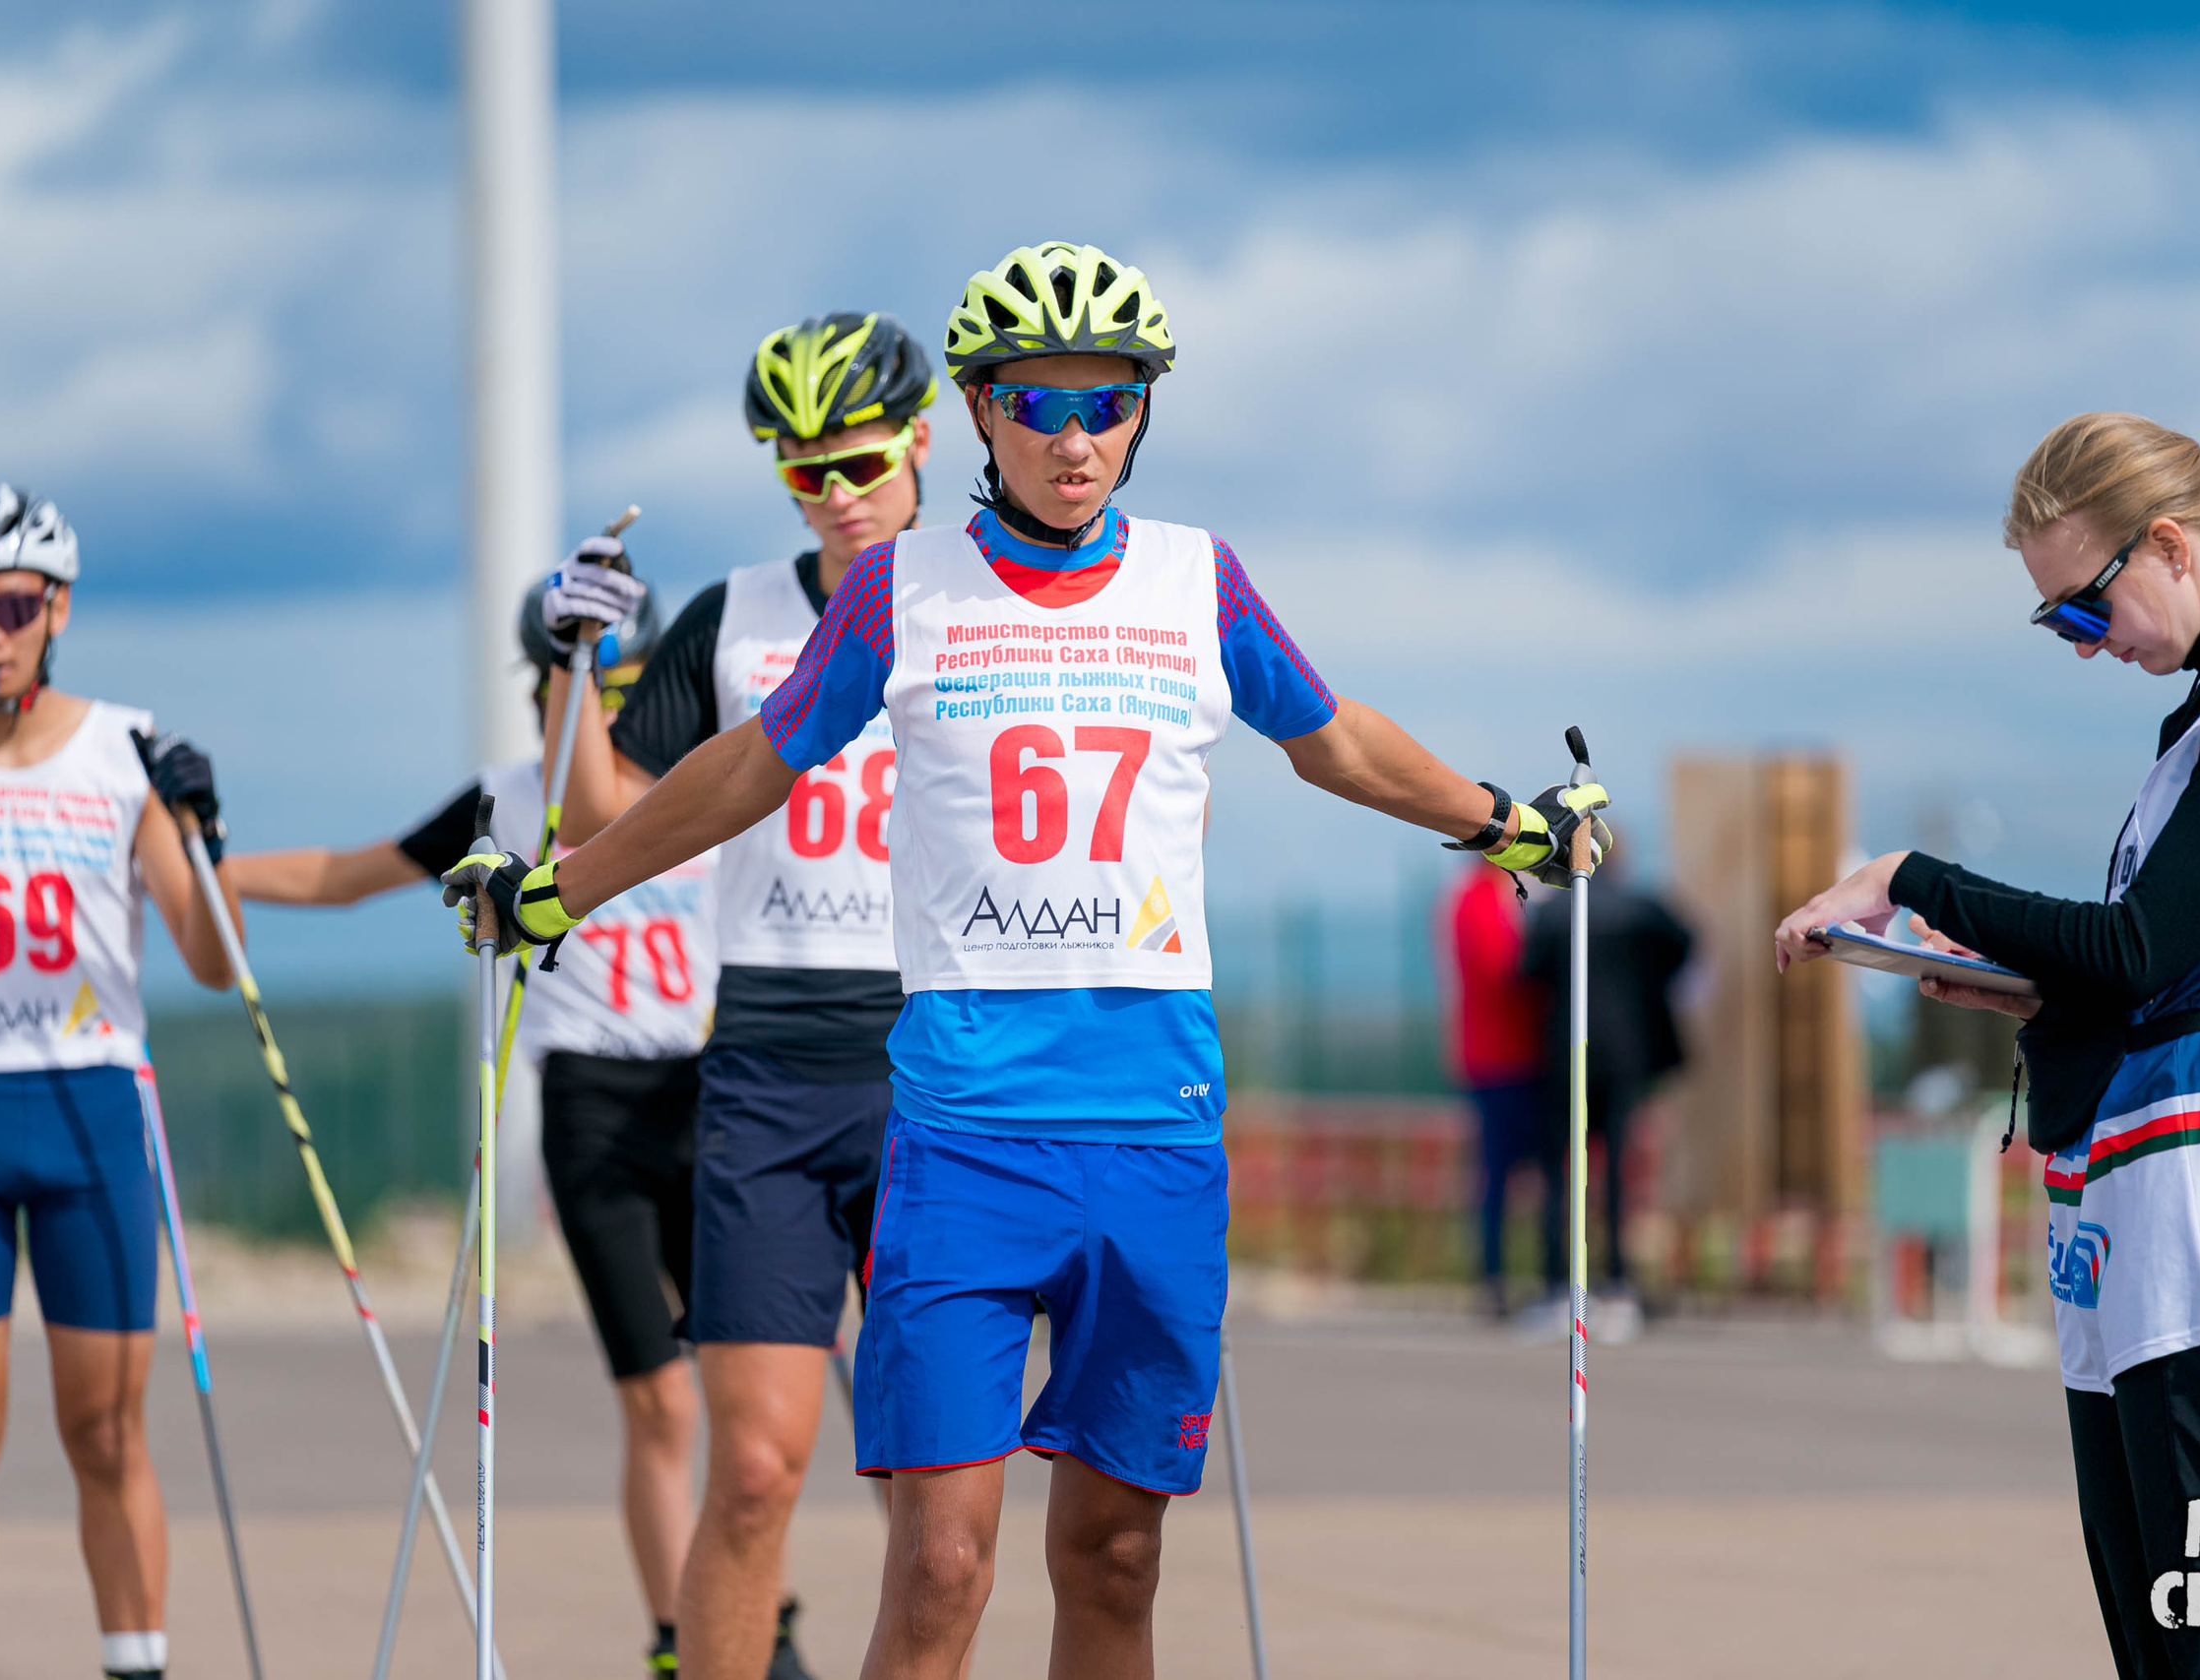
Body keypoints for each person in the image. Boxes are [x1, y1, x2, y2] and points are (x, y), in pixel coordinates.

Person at [449, 241, 1607, 1680]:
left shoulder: (1197, 580)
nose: (1075, 439)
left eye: (1107, 403)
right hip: (964, 1137)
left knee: (1115, 1560)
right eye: (1039, 405)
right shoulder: (903, 590)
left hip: (1152, 1129)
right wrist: (557, 892)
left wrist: (1507, 824)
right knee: (939, 1565)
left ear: (1142, 411)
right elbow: (751, 766)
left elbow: (1334, 740)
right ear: (981, 413)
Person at [1775, 413, 2200, 1680]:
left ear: (2167, 544)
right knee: (2168, 1633)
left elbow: (2137, 949)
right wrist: (2022, 989)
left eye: (2085, 607)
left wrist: (1912, 876)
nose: (2087, 642)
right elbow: (2163, 965)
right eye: (2058, 623)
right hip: (2164, 1196)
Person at [534, 311, 934, 1680]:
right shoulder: (733, 614)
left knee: (932, 1487)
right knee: (755, 1471)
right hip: (767, 1065)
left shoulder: (978, 604)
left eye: (859, 462)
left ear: (922, 441)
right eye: (803, 470)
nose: (835, 493)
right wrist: (570, 663)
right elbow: (603, 815)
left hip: (936, 1068)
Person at [227, 579, 716, 1677]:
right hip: (591, 1105)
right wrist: (208, 872)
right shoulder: (504, 797)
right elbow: (347, 876)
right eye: (570, 687)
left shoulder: (700, 785)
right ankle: (677, 1640)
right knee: (660, 1401)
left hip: (706, 1094)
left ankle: (750, 1614)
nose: (596, 713)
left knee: (746, 1391)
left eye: (622, 690)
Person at [0, 484, 246, 1680]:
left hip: (90, 1103)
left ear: (55, 611)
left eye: (11, 606)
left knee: (105, 1429)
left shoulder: (122, 751)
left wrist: (205, 830)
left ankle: (135, 1664)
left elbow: (211, 960)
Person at [1525, 848, 1691, 1340]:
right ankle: (1618, 1286)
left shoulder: (1554, 912)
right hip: (1624, 1055)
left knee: (1561, 1176)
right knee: (1619, 1176)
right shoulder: (1641, 907)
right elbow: (1685, 946)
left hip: (1566, 1056)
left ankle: (1558, 1288)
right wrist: (1648, 988)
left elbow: (1527, 971)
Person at [1437, 860, 1551, 1319]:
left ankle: (1513, 1274)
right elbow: (1501, 969)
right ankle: (1495, 1277)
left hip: (1509, 1054)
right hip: (1501, 1057)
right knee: (1500, 1173)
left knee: (1509, 1175)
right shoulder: (1479, 899)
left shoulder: (1485, 896)